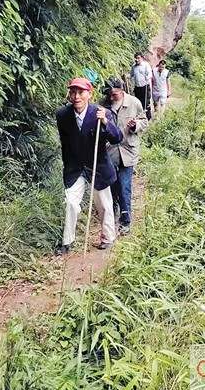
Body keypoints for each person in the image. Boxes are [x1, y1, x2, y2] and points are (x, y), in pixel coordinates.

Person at [55, 77, 123, 253]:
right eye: (73, 92)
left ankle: (108, 237)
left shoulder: (101, 113)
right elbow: (65, 144)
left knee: (104, 205)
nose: (76, 96)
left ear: (89, 94)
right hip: (75, 167)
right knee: (70, 203)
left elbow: (117, 138)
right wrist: (67, 167)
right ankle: (67, 242)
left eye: (81, 92)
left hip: (98, 166)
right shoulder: (62, 115)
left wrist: (106, 122)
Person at [102, 77, 148, 235]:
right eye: (109, 94)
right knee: (112, 186)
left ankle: (125, 221)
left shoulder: (134, 103)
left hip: (128, 151)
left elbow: (144, 121)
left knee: (124, 187)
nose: (111, 97)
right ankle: (112, 215)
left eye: (114, 94)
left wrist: (136, 125)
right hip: (109, 152)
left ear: (122, 91)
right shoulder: (103, 104)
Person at [130, 52, 152, 120]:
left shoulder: (146, 65)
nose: (136, 60)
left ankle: (148, 118)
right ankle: (140, 117)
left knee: (146, 103)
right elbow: (131, 75)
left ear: (142, 58)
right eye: (135, 58)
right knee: (138, 102)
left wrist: (147, 77)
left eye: (138, 58)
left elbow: (150, 74)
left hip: (145, 86)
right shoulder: (134, 66)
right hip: (137, 87)